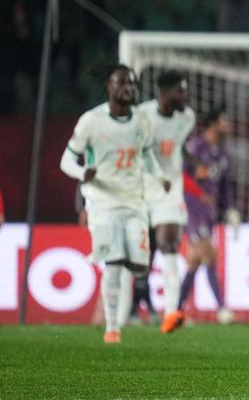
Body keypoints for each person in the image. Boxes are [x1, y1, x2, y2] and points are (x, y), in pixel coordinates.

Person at [59, 64, 169, 343]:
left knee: (139, 265)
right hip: (102, 202)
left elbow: (146, 155)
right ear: (108, 87)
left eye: (130, 83)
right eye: (121, 83)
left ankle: (129, 306)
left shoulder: (142, 121)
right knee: (114, 262)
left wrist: (159, 176)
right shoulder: (91, 121)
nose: (127, 88)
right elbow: (66, 160)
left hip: (134, 201)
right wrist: (82, 173)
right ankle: (112, 327)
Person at [136, 70, 196, 334]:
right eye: (180, 91)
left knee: (168, 243)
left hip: (169, 190)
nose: (185, 96)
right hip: (140, 189)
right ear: (166, 92)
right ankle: (130, 310)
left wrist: (194, 163)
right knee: (140, 256)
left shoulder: (187, 117)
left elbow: (177, 147)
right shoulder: (142, 115)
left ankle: (171, 312)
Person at [179, 107, 239, 324]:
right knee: (209, 255)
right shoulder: (195, 148)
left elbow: (225, 186)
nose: (227, 124)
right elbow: (181, 177)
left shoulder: (223, 154)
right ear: (213, 124)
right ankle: (222, 308)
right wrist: (200, 194)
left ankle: (176, 310)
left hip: (209, 213)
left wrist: (231, 209)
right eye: (224, 120)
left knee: (194, 262)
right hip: (192, 210)